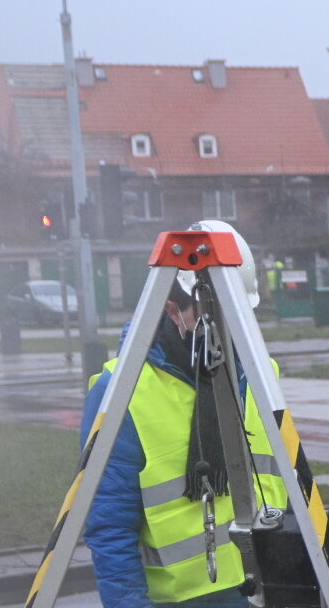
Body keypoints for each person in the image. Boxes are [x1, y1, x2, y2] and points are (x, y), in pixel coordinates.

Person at [81, 221, 288, 608]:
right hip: (177, 601)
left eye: (237, 313)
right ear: (173, 310)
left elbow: (290, 484)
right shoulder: (122, 390)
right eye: (214, 313)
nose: (228, 328)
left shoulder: (262, 374)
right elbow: (109, 528)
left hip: (265, 589)